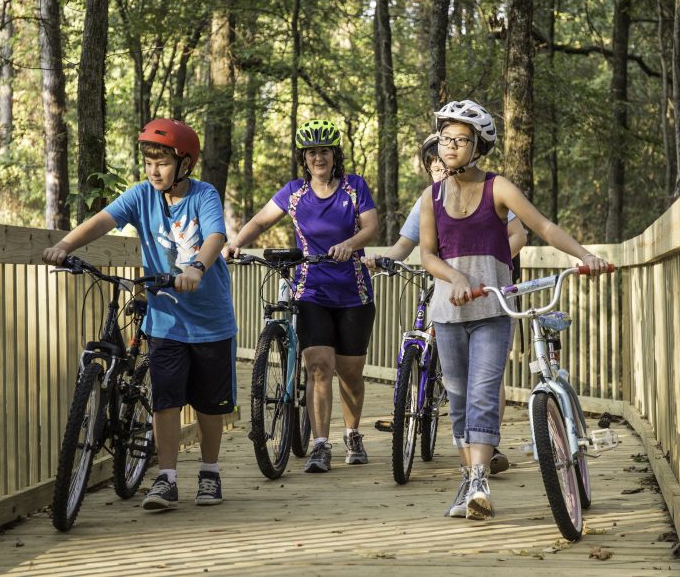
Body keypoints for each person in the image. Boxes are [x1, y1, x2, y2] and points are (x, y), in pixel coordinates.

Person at [418, 100, 609, 521]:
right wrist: (457, 278)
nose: (449, 147)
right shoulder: (430, 196)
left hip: (492, 309)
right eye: (445, 139)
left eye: (460, 140)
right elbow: (428, 255)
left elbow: (544, 227)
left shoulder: (498, 187)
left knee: (484, 393)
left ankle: (481, 479)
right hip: (447, 313)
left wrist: (585, 256)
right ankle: (468, 479)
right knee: (458, 398)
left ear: (478, 146)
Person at [42, 118, 237, 511]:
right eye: (149, 161)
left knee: (207, 404)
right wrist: (64, 244)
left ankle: (210, 472)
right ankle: (166, 479)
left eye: (162, 162)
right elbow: (102, 221)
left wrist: (197, 266)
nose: (153, 170)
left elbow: (216, 235)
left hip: (210, 319)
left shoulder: (204, 195)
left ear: (185, 164)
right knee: (165, 400)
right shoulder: (141, 196)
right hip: (165, 318)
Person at [363, 132, 525, 474]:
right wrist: (382, 258)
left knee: (484, 379)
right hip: (445, 291)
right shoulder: (429, 201)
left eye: (444, 162)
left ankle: (487, 447)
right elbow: (408, 246)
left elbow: (519, 234)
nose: (441, 169)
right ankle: (461, 452)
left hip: (488, 292)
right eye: (434, 165)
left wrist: (489, 264)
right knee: (459, 384)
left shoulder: (489, 191)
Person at [224, 119, 379, 473]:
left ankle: (352, 433)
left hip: (354, 293)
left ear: (335, 155)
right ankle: (321, 444)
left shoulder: (354, 188)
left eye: (325, 151)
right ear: (304, 158)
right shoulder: (294, 193)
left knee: (351, 374)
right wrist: (235, 243)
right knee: (319, 367)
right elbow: (262, 221)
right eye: (312, 152)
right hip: (311, 290)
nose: (318, 157)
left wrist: (349, 244)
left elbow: (371, 225)